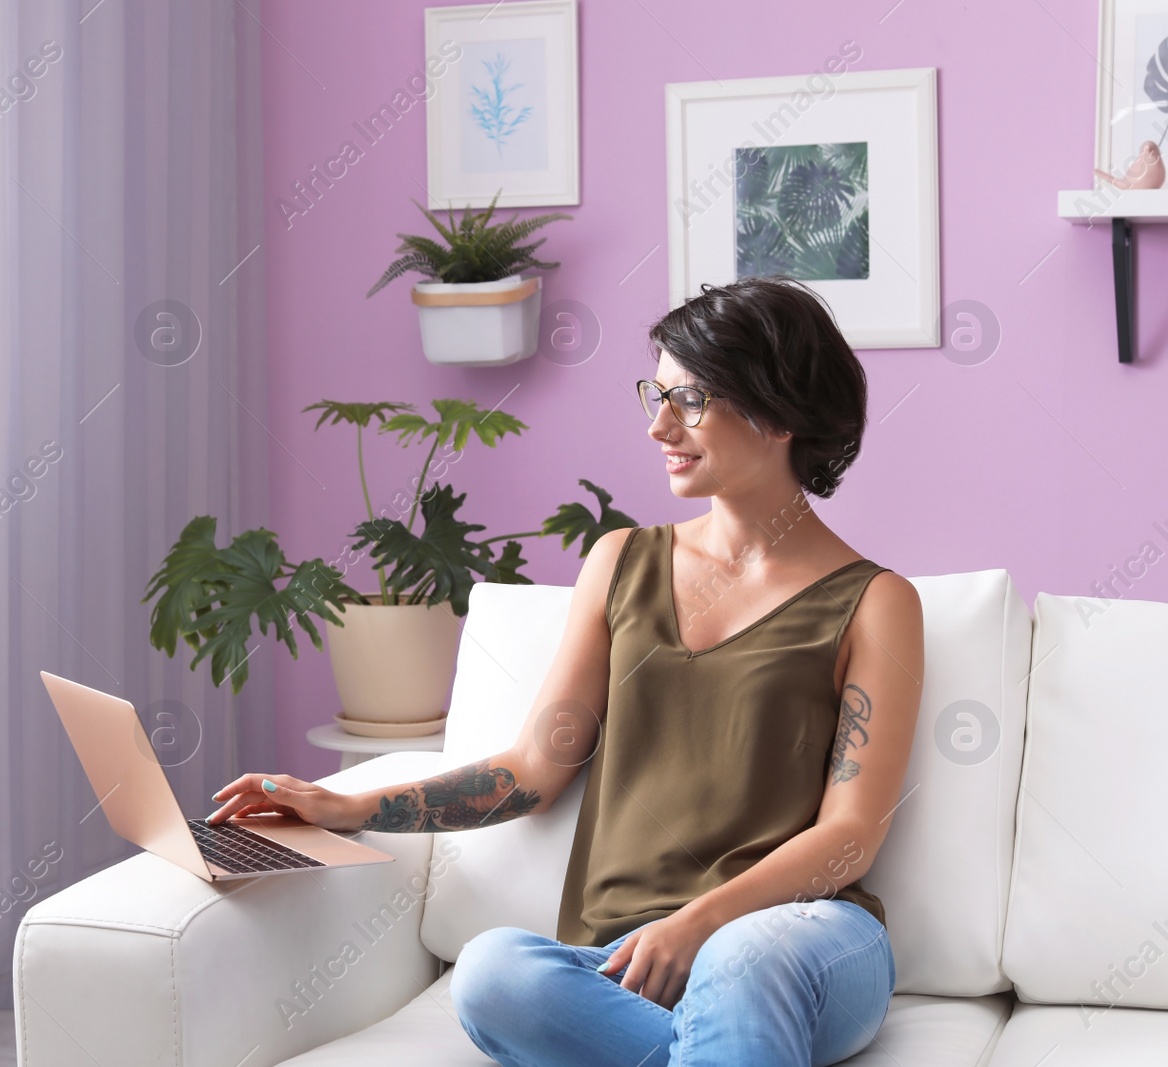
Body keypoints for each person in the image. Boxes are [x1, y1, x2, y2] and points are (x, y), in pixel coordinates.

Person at [209, 275, 924, 1067]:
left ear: (780, 411)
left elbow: (849, 836)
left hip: (800, 940)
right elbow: (531, 770)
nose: (658, 425)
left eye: (691, 398)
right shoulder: (620, 561)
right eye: (656, 393)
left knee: (741, 960)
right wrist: (347, 805)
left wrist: (702, 923)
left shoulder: (875, 601)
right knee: (490, 973)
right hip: (619, 962)